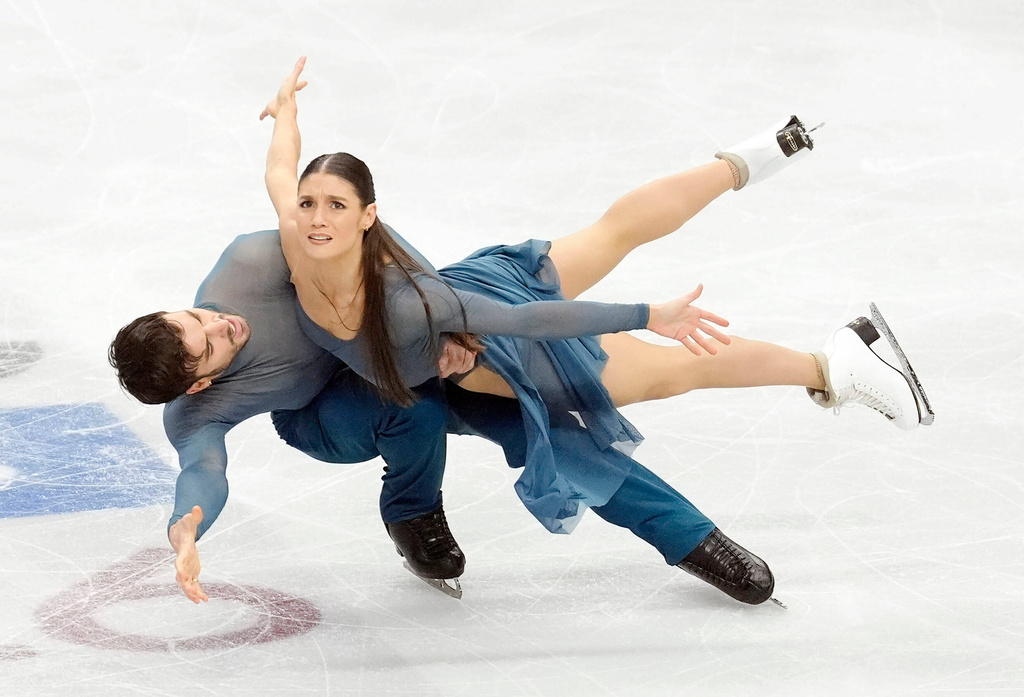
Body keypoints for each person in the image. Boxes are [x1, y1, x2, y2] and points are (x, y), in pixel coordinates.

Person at [260, 58, 930, 603]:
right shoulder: (299, 234)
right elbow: (279, 171)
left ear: (369, 215)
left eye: (336, 205)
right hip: (480, 285)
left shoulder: (413, 306)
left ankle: (833, 362)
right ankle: (752, 156)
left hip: (496, 338)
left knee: (673, 370)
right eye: (310, 204)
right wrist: (287, 113)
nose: (316, 217)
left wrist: (645, 316)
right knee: (612, 234)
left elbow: (530, 321)